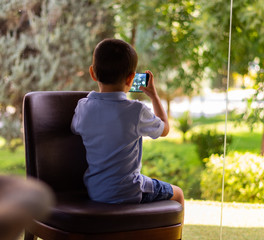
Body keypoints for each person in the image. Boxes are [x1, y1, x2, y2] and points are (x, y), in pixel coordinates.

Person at [71, 38, 184, 209]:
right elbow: (164, 129)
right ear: (131, 78)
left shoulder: (83, 107)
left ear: (93, 73)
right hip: (128, 191)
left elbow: (75, 128)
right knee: (178, 194)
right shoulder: (136, 110)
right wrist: (153, 95)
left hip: (96, 191)